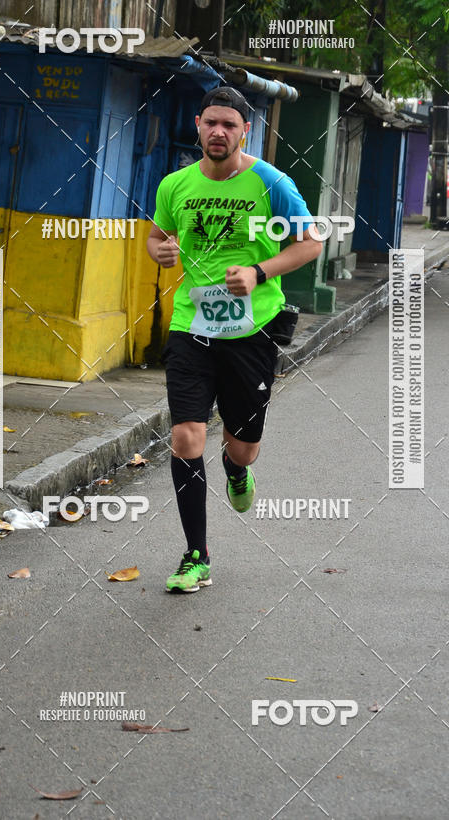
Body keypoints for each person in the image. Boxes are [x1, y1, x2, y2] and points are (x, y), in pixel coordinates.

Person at [147, 86, 322, 593]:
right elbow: (158, 238)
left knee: (242, 449)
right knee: (185, 437)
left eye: (230, 125)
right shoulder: (175, 185)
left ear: (246, 130)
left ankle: (237, 471)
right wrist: (160, 252)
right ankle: (196, 556)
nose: (219, 132)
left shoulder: (271, 182)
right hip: (191, 327)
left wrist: (260, 272)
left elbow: (310, 242)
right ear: (198, 125)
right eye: (211, 123)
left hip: (251, 334)